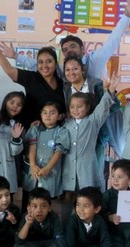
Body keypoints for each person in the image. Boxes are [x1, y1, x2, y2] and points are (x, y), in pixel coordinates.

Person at [1, 0, 130, 79]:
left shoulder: (96, 59)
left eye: (72, 46)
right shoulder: (64, 69)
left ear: (82, 49)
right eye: (65, 49)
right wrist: (16, 56)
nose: (69, 51)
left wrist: (126, 16)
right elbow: (40, 66)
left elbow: (113, 39)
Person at [61, 74, 119, 225]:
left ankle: (89, 228)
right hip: (68, 170)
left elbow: (102, 108)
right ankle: (70, 228)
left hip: (87, 169)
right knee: (70, 199)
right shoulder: (65, 124)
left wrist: (110, 91)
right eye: (72, 106)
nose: (75, 109)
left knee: (88, 200)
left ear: (87, 108)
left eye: (79, 106)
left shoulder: (92, 121)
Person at [63, 55, 123, 191]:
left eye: (75, 68)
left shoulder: (95, 85)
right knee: (73, 186)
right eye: (67, 69)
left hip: (96, 137)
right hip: (72, 159)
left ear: (82, 69)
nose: (71, 72)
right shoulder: (65, 90)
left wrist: (109, 90)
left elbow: (106, 107)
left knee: (91, 180)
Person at [0, 29, 66, 129]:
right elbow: (9, 70)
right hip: (31, 131)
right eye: (40, 62)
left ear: (55, 63)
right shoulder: (31, 78)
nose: (44, 65)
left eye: (49, 61)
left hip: (55, 133)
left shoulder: (62, 83)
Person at [22, 101, 70, 213]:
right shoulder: (35, 129)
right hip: (33, 173)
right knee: (28, 203)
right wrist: (33, 165)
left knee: (46, 204)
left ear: (59, 116)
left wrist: (48, 168)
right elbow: (32, 147)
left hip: (50, 174)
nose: (48, 115)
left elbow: (58, 152)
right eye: (45, 112)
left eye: (52, 113)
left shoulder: (62, 132)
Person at [101, 159, 130, 247]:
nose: (115, 180)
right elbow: (99, 214)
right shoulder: (107, 195)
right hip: (113, 233)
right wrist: (110, 217)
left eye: (120, 177)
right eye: (113, 176)